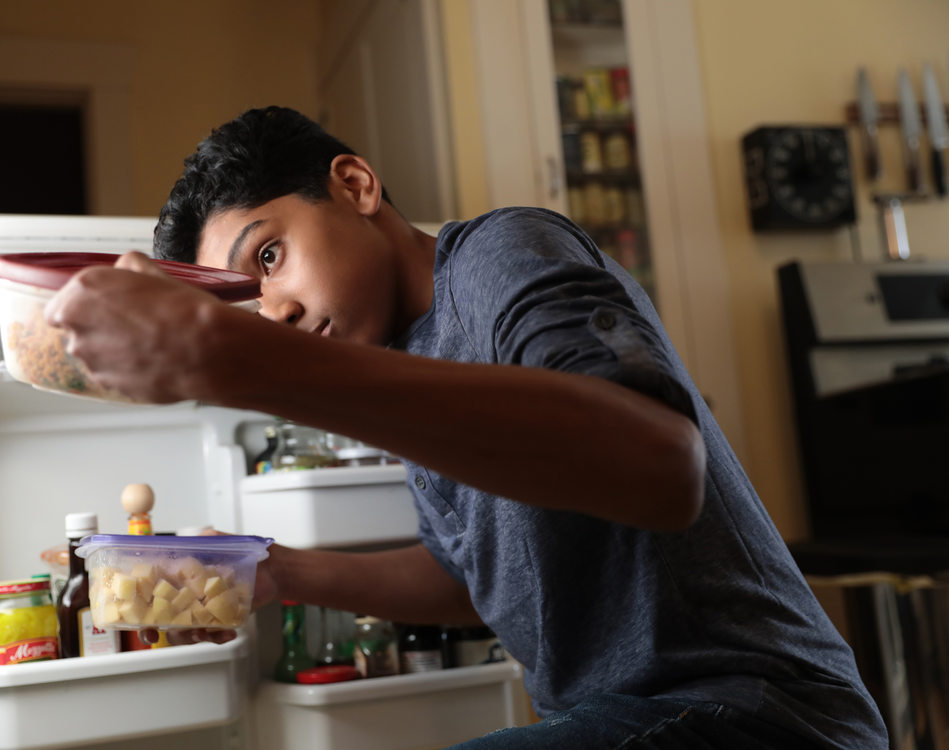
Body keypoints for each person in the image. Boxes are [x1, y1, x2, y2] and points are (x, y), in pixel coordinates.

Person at [45, 106, 887, 749]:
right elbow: (471, 577)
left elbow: (662, 469)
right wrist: (279, 573)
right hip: (626, 718)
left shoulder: (500, 255)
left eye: (267, 257)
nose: (278, 309)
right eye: (245, 303)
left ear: (354, 186)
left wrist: (239, 360)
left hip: (754, 709)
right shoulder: (404, 354)